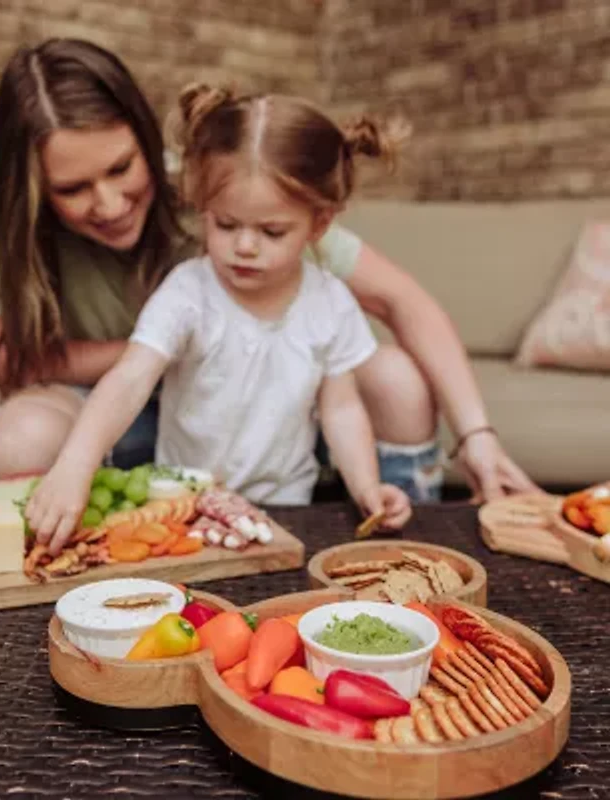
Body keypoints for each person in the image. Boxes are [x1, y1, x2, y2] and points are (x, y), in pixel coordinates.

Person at [0, 38, 538, 516]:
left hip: (259, 426)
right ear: (37, 189)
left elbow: (401, 305)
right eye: (73, 189)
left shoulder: (237, 189)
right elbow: (36, 371)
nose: (111, 202)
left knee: (393, 375)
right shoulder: (191, 259)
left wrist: (476, 435)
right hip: (135, 425)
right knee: (24, 434)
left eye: (122, 168)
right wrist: (175, 347)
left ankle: (406, 523)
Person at [27, 84, 414, 551]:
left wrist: (366, 487)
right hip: (183, 505)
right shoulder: (190, 291)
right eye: (225, 225)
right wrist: (75, 464)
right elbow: (130, 377)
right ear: (202, 208)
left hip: (288, 510)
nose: (244, 246)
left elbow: (342, 408)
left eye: (271, 231)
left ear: (320, 223)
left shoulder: (330, 301)